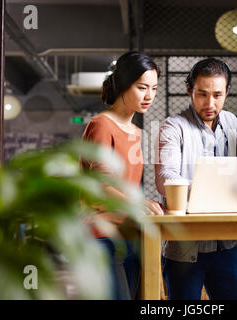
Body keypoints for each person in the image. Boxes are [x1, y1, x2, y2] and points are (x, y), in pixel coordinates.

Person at [155, 58, 237, 300]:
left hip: (226, 246)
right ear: (189, 90)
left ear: (227, 92)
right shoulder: (173, 127)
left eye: (218, 95)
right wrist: (209, 190)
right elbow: (165, 177)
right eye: (202, 94)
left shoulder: (231, 122)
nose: (210, 103)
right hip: (184, 248)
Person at [81, 51, 164, 300]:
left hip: (131, 235)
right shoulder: (101, 124)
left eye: (154, 88)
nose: (149, 95)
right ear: (124, 84)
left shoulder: (137, 132)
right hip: (102, 238)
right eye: (141, 87)